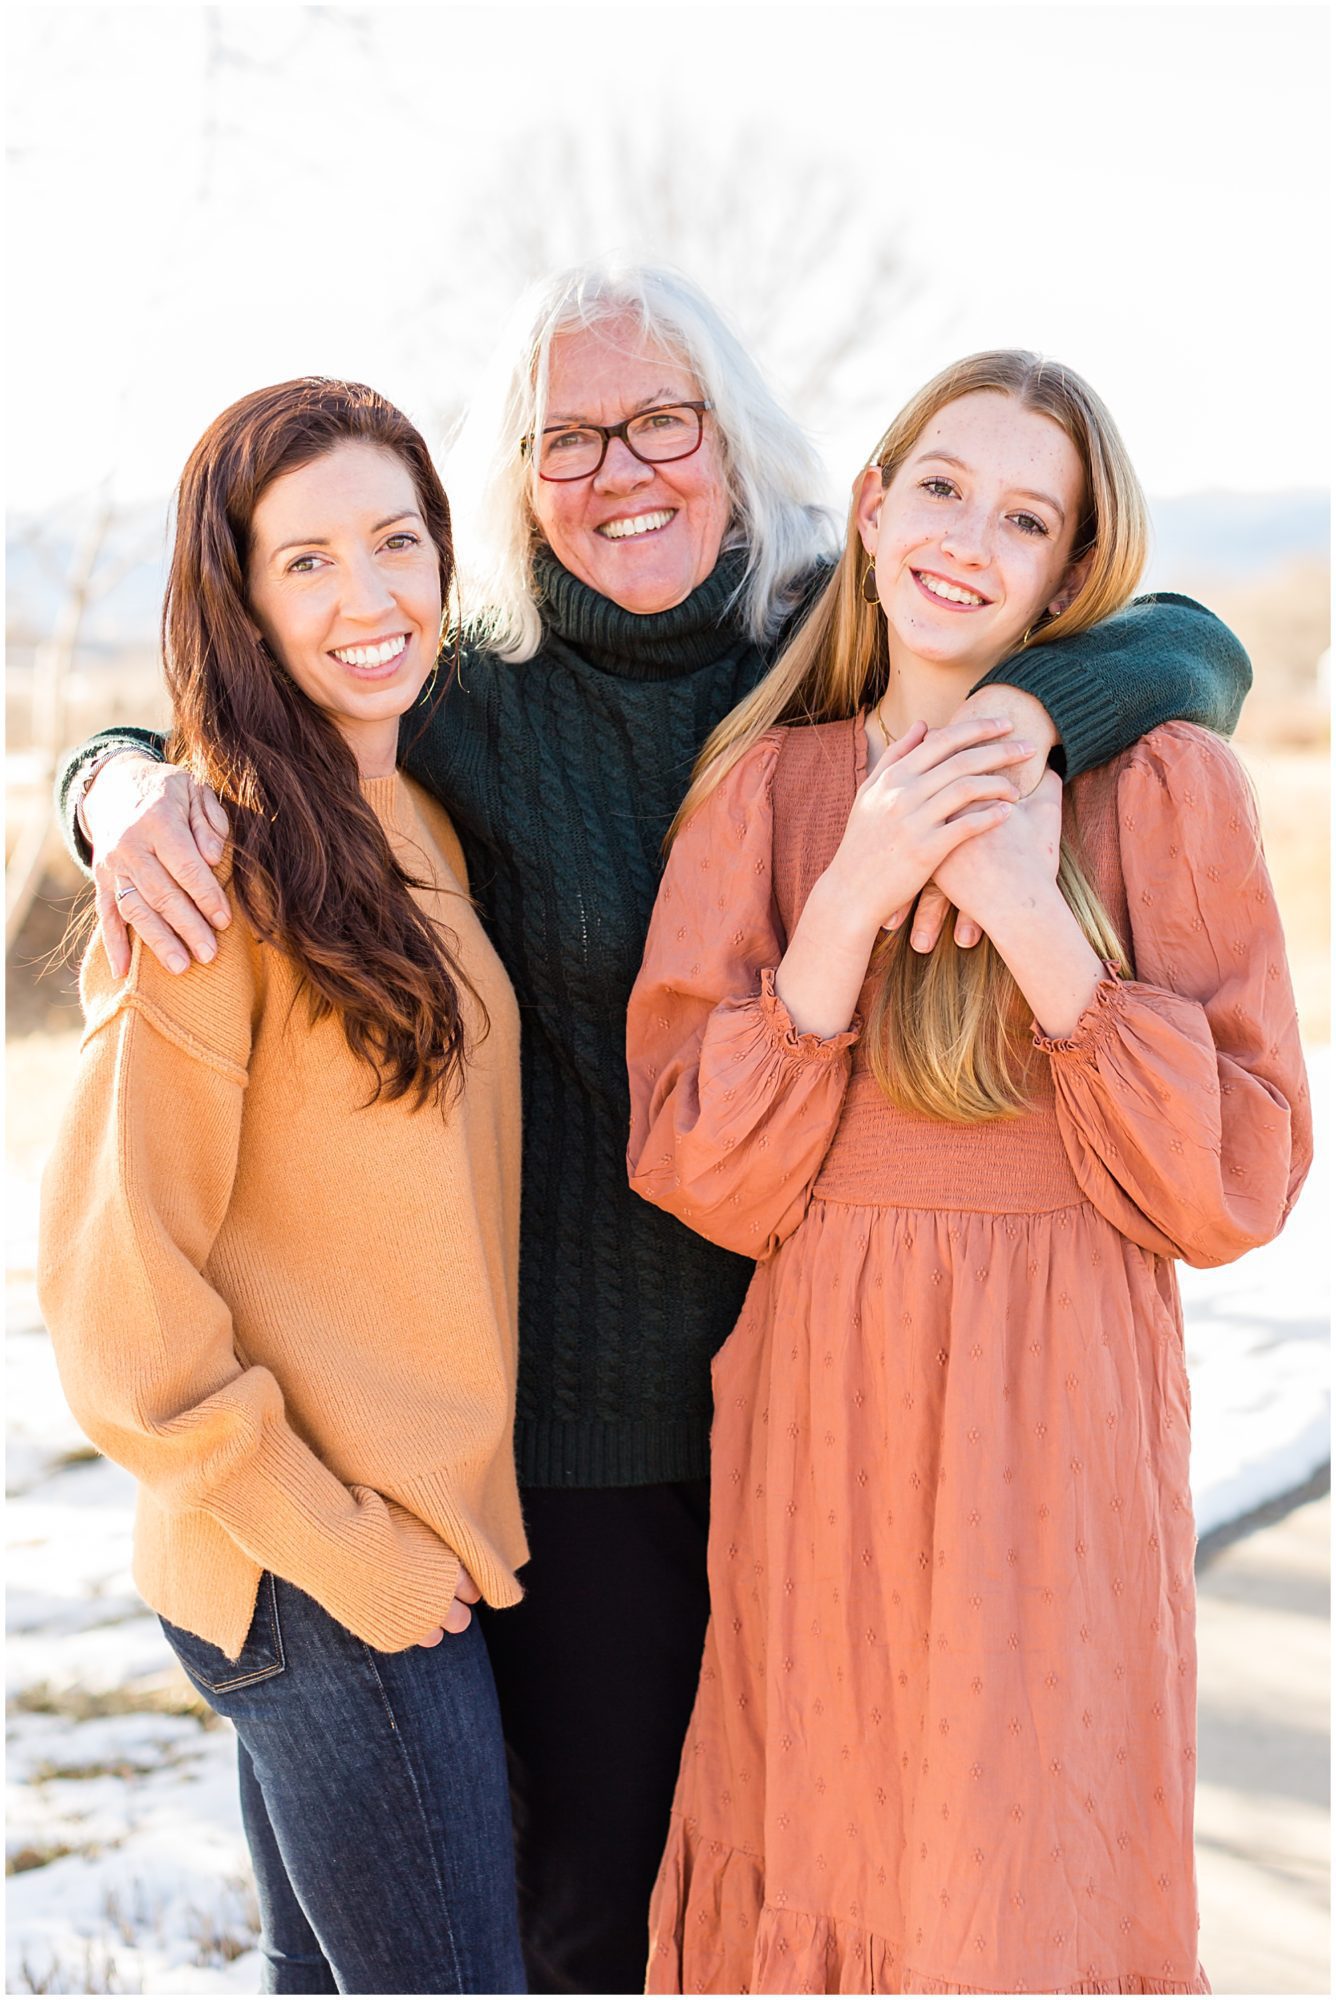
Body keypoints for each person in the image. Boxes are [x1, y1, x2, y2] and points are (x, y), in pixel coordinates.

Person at [56, 267, 1254, 1996]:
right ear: (517, 483)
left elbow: (1179, 636)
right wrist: (108, 786)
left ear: (737, 437)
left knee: (842, 1892)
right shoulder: (468, 691)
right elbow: (242, 721)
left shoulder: (823, 649)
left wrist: (1034, 715)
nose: (624, 472)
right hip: (571, 1438)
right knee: (599, 1919)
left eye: (662, 422)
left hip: (828, 1407)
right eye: (567, 440)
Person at [625, 350, 1311, 1994]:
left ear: (1071, 572)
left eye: (1025, 515)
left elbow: (1233, 1182)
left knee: (1025, 1863)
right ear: (869, 507)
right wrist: (854, 893)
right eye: (939, 485)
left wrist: (1028, 908)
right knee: (831, 1839)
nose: (966, 537)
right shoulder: (764, 791)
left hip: (1063, 1410)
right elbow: (702, 1165)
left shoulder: (1165, 785)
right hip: (827, 1414)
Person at [38, 380, 529, 1996]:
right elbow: (119, 1300)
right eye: (305, 561)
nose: (369, 596)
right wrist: (339, 1544)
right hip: (316, 1565)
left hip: (391, 1537)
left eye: (396, 540)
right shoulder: (209, 868)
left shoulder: (420, 817)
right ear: (237, 597)